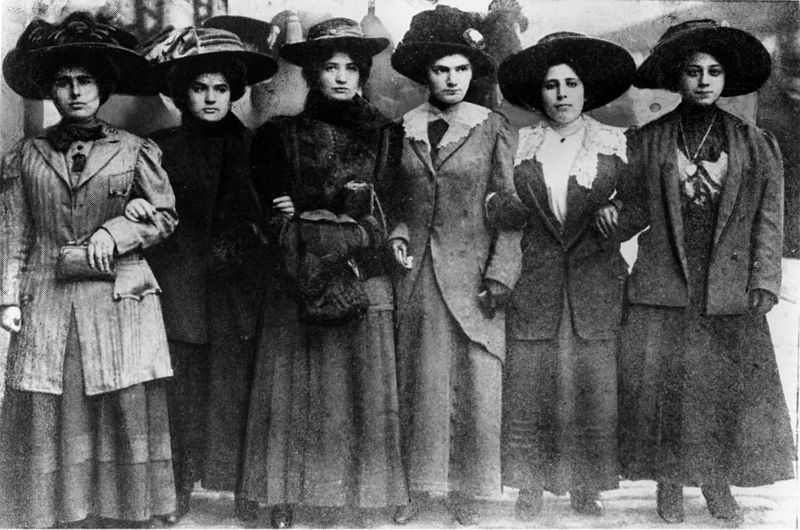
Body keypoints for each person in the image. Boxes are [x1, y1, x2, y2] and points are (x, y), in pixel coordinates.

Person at [605, 19, 795, 524]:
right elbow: (634, 210)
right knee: (668, 388)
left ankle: (718, 486)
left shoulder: (756, 143)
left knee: (721, 390)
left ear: (726, 79)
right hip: (667, 280)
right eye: (693, 71)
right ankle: (668, 487)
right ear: (678, 78)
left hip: (727, 286)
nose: (705, 80)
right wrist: (608, 215)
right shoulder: (649, 141)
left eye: (714, 71)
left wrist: (764, 280)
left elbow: (769, 219)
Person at [0, 12, 178, 528]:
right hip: (48, 295)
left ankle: (127, 510)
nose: (75, 92)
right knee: (54, 400)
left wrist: (116, 232)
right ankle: (61, 511)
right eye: (63, 81)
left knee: (121, 399)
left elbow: (165, 216)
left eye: (86, 80)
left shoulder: (134, 150)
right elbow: (13, 232)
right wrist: (8, 299)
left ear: (103, 87)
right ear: (50, 90)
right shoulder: (25, 156)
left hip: (119, 296)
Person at [240, 18, 408, 529]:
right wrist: (280, 213)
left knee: (361, 388)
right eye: (329, 67)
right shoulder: (279, 135)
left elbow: (397, 203)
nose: (340, 77)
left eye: (350, 68)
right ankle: (285, 494)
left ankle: (361, 497)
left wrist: (367, 228)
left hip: (362, 268)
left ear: (363, 74)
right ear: (313, 75)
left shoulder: (387, 135)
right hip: (299, 272)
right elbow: (261, 202)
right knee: (296, 385)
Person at [135, 25, 277, 521]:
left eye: (221, 89)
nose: (211, 98)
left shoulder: (258, 145)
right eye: (199, 89)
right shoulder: (159, 148)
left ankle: (248, 491)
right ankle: (175, 491)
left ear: (234, 93)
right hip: (180, 287)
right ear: (182, 94)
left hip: (241, 290)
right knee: (182, 395)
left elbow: (274, 213)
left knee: (239, 389)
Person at [388, 6, 523, 526]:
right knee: (422, 382)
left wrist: (500, 275)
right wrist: (398, 236)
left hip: (474, 276)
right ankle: (422, 490)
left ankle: (471, 492)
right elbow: (396, 204)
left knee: (475, 383)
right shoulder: (404, 128)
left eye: (461, 69)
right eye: (441, 69)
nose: (451, 79)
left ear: (473, 73)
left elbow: (509, 210)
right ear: (426, 74)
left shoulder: (492, 128)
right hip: (419, 275)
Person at [495, 32, 635, 520]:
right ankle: (529, 487)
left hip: (595, 282)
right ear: (539, 93)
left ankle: (586, 486)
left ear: (585, 90)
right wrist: (501, 205)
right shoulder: (518, 144)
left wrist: (619, 210)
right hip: (536, 281)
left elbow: (641, 205)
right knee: (531, 387)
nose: (561, 93)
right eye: (551, 85)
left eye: (571, 83)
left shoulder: (614, 144)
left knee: (590, 389)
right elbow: (495, 200)